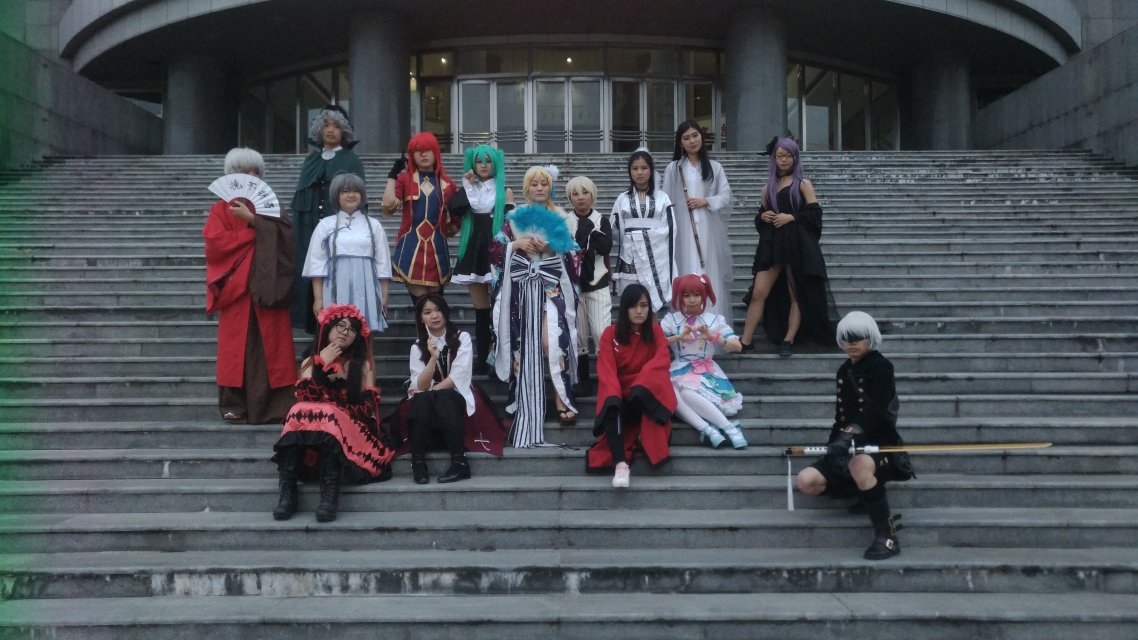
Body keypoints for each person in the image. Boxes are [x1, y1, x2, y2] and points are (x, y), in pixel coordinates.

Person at [795, 311, 914, 560]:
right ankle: (863, 492)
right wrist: (834, 445)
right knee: (806, 481)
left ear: (871, 338)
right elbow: (841, 416)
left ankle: (887, 535)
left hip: (879, 443)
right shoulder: (844, 370)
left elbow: (877, 412)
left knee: (859, 464)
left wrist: (849, 435)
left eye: (858, 338)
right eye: (847, 338)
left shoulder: (882, 367)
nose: (852, 343)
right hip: (846, 446)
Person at [271, 304, 395, 523]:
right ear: (328, 328)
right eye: (340, 326)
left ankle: (329, 495)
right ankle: (288, 493)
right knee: (298, 410)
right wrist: (322, 363)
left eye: (352, 329)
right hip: (314, 433)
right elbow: (305, 398)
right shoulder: (310, 361)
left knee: (328, 412)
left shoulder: (363, 366)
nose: (345, 332)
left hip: (351, 430)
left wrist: (336, 408)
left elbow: (367, 410)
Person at [203, 147, 296, 425]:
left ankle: (275, 406)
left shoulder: (270, 206)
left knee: (272, 348)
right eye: (244, 171)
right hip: (237, 290)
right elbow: (215, 245)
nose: (251, 176)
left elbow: (288, 240)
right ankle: (236, 404)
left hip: (268, 287)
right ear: (232, 176)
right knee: (237, 349)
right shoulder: (220, 209)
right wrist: (251, 234)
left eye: (255, 171)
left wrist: (254, 221)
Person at [490, 165, 580, 446]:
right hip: (521, 291)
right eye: (534, 184)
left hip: (551, 289)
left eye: (544, 183)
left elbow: (575, 253)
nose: (540, 188)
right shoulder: (513, 220)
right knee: (522, 345)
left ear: (550, 187)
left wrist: (551, 247)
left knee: (552, 341)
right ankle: (523, 397)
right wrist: (516, 245)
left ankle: (561, 396)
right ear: (526, 188)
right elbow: (494, 249)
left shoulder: (561, 218)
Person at [739, 137, 836, 357]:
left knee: (796, 293)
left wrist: (791, 217)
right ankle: (745, 340)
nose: (784, 160)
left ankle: (788, 339)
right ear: (774, 159)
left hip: (798, 245)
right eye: (779, 156)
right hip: (773, 246)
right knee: (758, 292)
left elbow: (815, 215)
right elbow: (761, 219)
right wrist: (763, 216)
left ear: (795, 157)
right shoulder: (767, 188)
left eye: (788, 155)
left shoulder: (803, 184)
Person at [397, 294, 509, 484]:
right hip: (427, 399)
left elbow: (458, 376)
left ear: (445, 312)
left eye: (438, 310)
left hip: (457, 394)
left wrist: (431, 393)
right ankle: (418, 463)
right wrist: (432, 358)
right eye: (427, 312)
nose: (434, 316)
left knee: (443, 397)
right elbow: (419, 384)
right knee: (422, 399)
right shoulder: (417, 347)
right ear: (421, 318)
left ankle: (459, 462)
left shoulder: (461, 338)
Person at [586, 284, 677, 488]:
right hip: (622, 398)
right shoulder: (610, 333)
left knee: (645, 392)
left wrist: (641, 386)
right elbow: (607, 370)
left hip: (645, 397)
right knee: (611, 404)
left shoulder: (655, 332)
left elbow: (661, 361)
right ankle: (620, 464)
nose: (639, 311)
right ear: (624, 308)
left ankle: (642, 436)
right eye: (633, 306)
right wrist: (614, 397)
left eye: (644, 306)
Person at [290, 105, 365, 333]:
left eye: (336, 126)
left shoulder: (351, 160)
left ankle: (338, 330)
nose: (331, 130)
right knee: (311, 272)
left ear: (344, 131)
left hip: (339, 227)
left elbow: (358, 199)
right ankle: (316, 333)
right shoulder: (311, 160)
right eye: (326, 126)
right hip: (309, 225)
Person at [447, 145, 516, 373]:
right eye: (479, 161)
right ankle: (483, 357)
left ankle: (502, 357)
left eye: (488, 160)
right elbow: (455, 207)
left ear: (495, 163)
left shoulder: (504, 191)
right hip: (474, 250)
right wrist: (467, 184)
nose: (484, 165)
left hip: (496, 249)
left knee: (500, 306)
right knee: (481, 309)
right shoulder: (470, 188)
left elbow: (511, 224)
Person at [661, 273, 747, 450]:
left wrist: (713, 337)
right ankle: (713, 430)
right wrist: (678, 337)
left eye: (697, 295)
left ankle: (723, 429)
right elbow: (654, 343)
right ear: (680, 297)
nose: (692, 300)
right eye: (687, 295)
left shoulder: (714, 320)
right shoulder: (671, 320)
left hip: (706, 372)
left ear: (704, 295)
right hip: (678, 368)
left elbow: (737, 346)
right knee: (671, 392)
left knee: (686, 393)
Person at [662, 120, 736, 323]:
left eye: (695, 135)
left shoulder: (715, 167)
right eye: (686, 138)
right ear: (680, 143)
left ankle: (711, 325)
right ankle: (684, 325)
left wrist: (706, 201)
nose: (692, 141)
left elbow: (726, 196)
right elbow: (665, 200)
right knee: (685, 268)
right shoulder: (673, 169)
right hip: (682, 229)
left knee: (708, 271)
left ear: (702, 137)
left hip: (708, 228)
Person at [302, 172, 391, 334]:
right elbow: (317, 263)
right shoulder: (326, 225)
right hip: (335, 285)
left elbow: (382, 263)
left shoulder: (374, 225)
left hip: (367, 287)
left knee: (365, 332)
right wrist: (318, 298)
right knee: (336, 331)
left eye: (356, 191)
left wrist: (384, 296)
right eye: (345, 191)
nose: (351, 195)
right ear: (336, 196)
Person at [382, 132, 458, 302]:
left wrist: (444, 232)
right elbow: (388, 208)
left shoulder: (448, 184)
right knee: (422, 305)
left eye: (428, 149)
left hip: (437, 251)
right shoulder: (405, 179)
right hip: (410, 249)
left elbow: (457, 219)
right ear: (411, 155)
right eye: (418, 150)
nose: (423, 154)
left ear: (436, 152)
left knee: (436, 305)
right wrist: (392, 176)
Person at [611, 149, 677, 312]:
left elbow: (670, 228)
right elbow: (615, 227)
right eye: (635, 168)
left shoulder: (663, 197)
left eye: (644, 168)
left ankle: (651, 329)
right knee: (631, 302)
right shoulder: (622, 198)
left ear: (651, 170)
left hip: (656, 256)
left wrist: (642, 237)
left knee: (650, 304)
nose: (639, 172)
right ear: (630, 171)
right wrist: (631, 240)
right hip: (630, 255)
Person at [565, 175, 612, 398]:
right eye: (575, 194)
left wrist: (590, 234)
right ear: (570, 198)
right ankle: (582, 381)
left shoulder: (601, 219)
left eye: (585, 192)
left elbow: (606, 247)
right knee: (579, 335)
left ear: (592, 194)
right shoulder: (565, 221)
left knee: (602, 333)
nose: (580, 197)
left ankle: (607, 380)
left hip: (598, 283)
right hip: (574, 287)